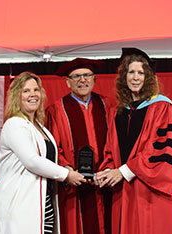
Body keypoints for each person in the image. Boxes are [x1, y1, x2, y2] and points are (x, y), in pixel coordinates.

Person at [95, 48, 172, 234]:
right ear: (124, 77)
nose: (135, 77)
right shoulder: (118, 112)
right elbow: (110, 150)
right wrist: (108, 172)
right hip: (124, 191)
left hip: (150, 191)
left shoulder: (161, 106)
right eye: (131, 72)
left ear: (148, 77)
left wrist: (124, 171)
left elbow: (159, 149)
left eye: (141, 73)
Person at [0, 72, 85, 234]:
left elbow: (49, 160)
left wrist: (67, 168)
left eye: (36, 90)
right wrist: (66, 175)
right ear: (16, 96)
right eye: (26, 91)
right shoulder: (14, 124)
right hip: (18, 203)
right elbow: (32, 161)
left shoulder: (40, 127)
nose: (33, 94)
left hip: (41, 203)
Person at [45, 58, 114, 234]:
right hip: (73, 188)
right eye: (76, 77)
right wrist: (68, 170)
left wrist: (108, 168)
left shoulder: (109, 106)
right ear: (68, 82)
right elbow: (54, 148)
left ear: (95, 79)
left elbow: (115, 144)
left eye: (87, 75)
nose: (82, 80)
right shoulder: (56, 110)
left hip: (104, 182)